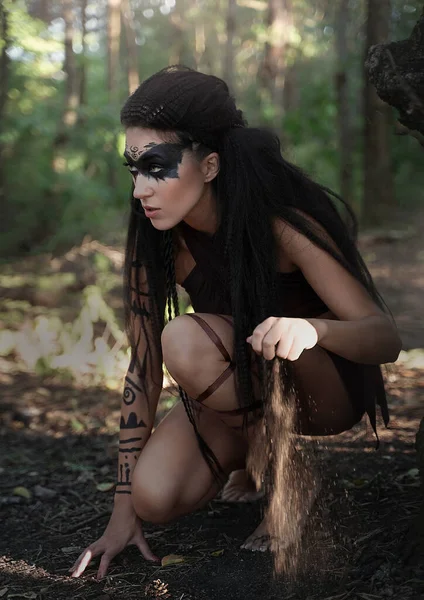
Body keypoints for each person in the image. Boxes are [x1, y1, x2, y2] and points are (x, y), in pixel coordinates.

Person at [70, 66, 401, 580]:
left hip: (320, 390)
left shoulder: (281, 225)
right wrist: (121, 510)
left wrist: (313, 329)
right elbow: (142, 370)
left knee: (183, 335)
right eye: (132, 170)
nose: (140, 189)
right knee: (153, 497)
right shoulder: (154, 244)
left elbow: (385, 338)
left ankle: (292, 478)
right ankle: (251, 459)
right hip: (238, 384)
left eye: (156, 166)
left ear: (209, 166)